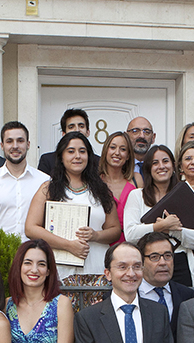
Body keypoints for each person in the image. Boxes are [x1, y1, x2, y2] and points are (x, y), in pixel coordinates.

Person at [24, 131, 121, 280]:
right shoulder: (48, 189)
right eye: (71, 151)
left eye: (82, 151)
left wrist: (95, 235)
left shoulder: (101, 189)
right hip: (61, 269)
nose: (77, 156)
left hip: (97, 268)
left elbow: (115, 230)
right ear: (61, 157)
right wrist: (68, 245)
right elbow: (31, 228)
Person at [125, 144, 194, 287]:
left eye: (165, 161)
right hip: (147, 262)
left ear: (174, 166)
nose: (161, 166)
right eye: (155, 163)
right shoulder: (137, 195)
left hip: (180, 262)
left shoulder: (187, 195)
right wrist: (159, 226)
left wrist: (172, 230)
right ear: (148, 168)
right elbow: (130, 234)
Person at [0, 121, 46, 237]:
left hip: (33, 253)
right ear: (2, 146)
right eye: (9, 141)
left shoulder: (44, 181)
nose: (15, 146)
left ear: (28, 144)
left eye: (20, 141)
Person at [100, 130, 140, 239]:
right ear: (105, 151)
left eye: (123, 149)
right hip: (104, 243)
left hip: (132, 243)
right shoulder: (96, 181)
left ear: (128, 156)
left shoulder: (136, 179)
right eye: (112, 147)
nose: (117, 153)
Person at [38, 109, 100, 175]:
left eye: (81, 126)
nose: (77, 130)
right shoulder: (48, 160)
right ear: (64, 134)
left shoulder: (99, 161)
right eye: (71, 127)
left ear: (88, 132)